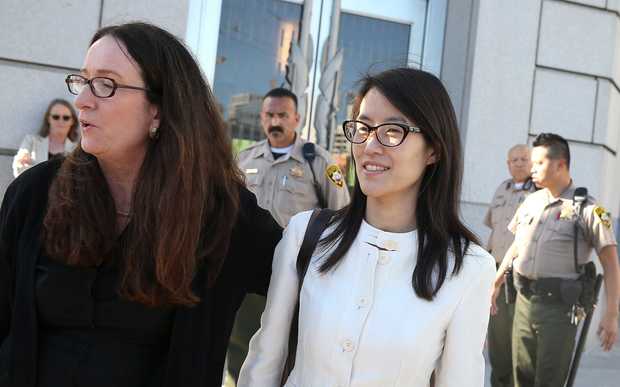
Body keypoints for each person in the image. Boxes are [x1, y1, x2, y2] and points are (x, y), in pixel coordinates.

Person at [0, 22, 281, 387]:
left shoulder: (220, 215)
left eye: (106, 84)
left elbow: (317, 282)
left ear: (159, 111)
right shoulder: (34, 194)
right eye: (83, 81)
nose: (83, 99)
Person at [238, 68, 496, 386]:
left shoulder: (468, 268)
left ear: (434, 149)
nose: (370, 145)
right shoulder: (306, 235)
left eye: (393, 130)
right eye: (363, 127)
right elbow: (265, 362)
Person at [227, 87, 350, 383]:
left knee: (287, 347)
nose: (275, 121)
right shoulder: (244, 159)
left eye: (283, 115)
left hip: (295, 274)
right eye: (270, 115)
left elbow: (342, 218)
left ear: (297, 118)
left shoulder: (319, 162)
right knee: (241, 341)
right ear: (261, 118)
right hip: (248, 272)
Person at [491, 133, 620, 387]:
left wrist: (611, 314)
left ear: (560, 164)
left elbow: (611, 263)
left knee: (549, 380)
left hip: (559, 309)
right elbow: (517, 245)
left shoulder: (591, 209)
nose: (532, 168)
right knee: (521, 378)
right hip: (523, 301)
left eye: (539, 163)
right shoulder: (531, 202)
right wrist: (495, 283)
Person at [484, 144, 535, 387]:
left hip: (523, 278)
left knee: (521, 348)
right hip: (497, 275)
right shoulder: (501, 189)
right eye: (514, 159)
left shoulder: (539, 192)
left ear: (532, 162)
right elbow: (493, 231)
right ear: (507, 164)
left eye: (524, 159)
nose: (519, 163)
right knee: (499, 343)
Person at [12, 98, 79, 177]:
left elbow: (77, 177)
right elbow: (19, 169)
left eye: (66, 118)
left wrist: (34, 169)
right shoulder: (31, 141)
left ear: (72, 121)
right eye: (56, 117)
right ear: (48, 118)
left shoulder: (77, 149)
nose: (60, 121)